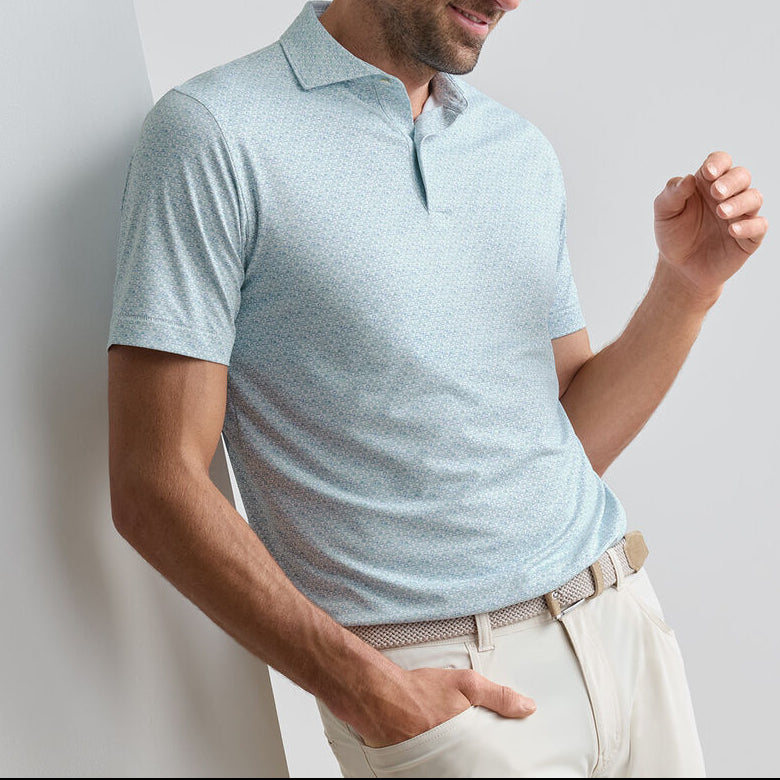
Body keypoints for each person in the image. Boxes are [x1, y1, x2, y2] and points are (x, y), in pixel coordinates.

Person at [107, 1, 767, 777]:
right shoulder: (213, 134)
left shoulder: (517, 151)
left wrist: (685, 289)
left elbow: (565, 440)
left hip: (622, 628)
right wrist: (366, 691)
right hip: (449, 689)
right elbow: (156, 483)